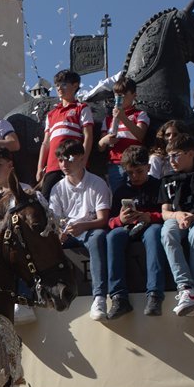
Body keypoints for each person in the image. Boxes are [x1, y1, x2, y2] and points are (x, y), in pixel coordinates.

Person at [48, 139, 111, 322]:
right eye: (60, 160)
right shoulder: (57, 188)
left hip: (90, 230)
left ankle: (99, 297)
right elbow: (55, 220)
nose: (64, 164)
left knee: (98, 237)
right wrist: (60, 233)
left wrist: (83, 226)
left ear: (82, 159)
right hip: (68, 234)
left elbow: (103, 220)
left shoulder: (97, 183)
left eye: (68, 159)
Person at [158, 134, 194, 318]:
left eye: (176, 155)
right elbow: (165, 212)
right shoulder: (167, 179)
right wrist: (178, 215)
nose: (172, 161)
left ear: (191, 153)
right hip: (176, 218)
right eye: (169, 157)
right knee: (167, 233)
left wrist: (193, 217)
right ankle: (185, 287)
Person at [104, 145, 165, 318]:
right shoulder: (121, 190)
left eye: (139, 171)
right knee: (113, 236)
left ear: (148, 167)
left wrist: (150, 216)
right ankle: (118, 297)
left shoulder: (158, 186)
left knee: (154, 233)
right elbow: (109, 222)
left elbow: (167, 213)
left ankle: (154, 295)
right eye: (130, 173)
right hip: (128, 228)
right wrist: (120, 220)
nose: (135, 176)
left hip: (150, 226)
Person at [35, 69, 93, 197]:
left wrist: (83, 161)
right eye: (57, 85)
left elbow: (88, 136)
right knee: (47, 202)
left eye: (64, 84)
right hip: (52, 167)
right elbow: (45, 143)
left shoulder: (82, 108)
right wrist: (40, 168)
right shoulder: (51, 114)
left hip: (74, 165)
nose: (60, 88)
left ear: (75, 85)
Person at [98, 78, 150, 192]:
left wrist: (123, 118)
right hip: (116, 164)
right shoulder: (108, 119)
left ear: (134, 95)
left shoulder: (140, 114)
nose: (119, 98)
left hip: (135, 164)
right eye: (116, 94)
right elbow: (100, 146)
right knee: (118, 195)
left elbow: (140, 135)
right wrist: (106, 140)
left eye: (123, 94)